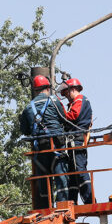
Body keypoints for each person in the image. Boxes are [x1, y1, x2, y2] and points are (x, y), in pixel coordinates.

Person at [19, 75, 70, 206]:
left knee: (43, 178)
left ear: (35, 90)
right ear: (48, 88)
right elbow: (64, 119)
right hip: (57, 145)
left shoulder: (28, 107)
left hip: (40, 148)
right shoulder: (54, 101)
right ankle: (62, 204)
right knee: (61, 176)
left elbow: (25, 130)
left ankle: (45, 205)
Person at [60, 78, 94, 205]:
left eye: (66, 93)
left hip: (76, 139)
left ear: (73, 89)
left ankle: (89, 200)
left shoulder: (79, 100)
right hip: (75, 139)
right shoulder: (78, 102)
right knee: (73, 172)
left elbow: (73, 116)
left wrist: (60, 112)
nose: (66, 97)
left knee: (79, 170)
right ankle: (72, 201)